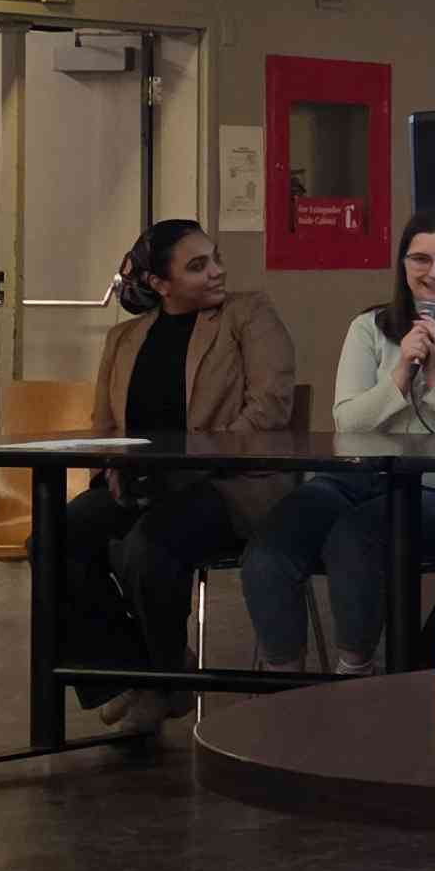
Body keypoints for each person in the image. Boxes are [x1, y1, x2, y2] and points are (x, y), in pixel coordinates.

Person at [238, 207, 435, 675]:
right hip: (355, 475)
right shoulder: (369, 327)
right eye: (421, 259)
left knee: (355, 539)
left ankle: (355, 671)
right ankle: (283, 684)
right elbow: (347, 424)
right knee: (270, 550)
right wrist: (399, 375)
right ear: (403, 265)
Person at [57, 220, 295, 732]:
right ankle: (129, 675)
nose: (217, 271)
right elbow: (105, 426)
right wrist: (111, 468)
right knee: (53, 540)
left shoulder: (248, 314)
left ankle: (162, 681)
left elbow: (269, 407)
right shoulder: (124, 338)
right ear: (160, 283)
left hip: (229, 484)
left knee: (147, 545)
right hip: (141, 484)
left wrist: (188, 466)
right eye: (197, 266)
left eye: (215, 258)